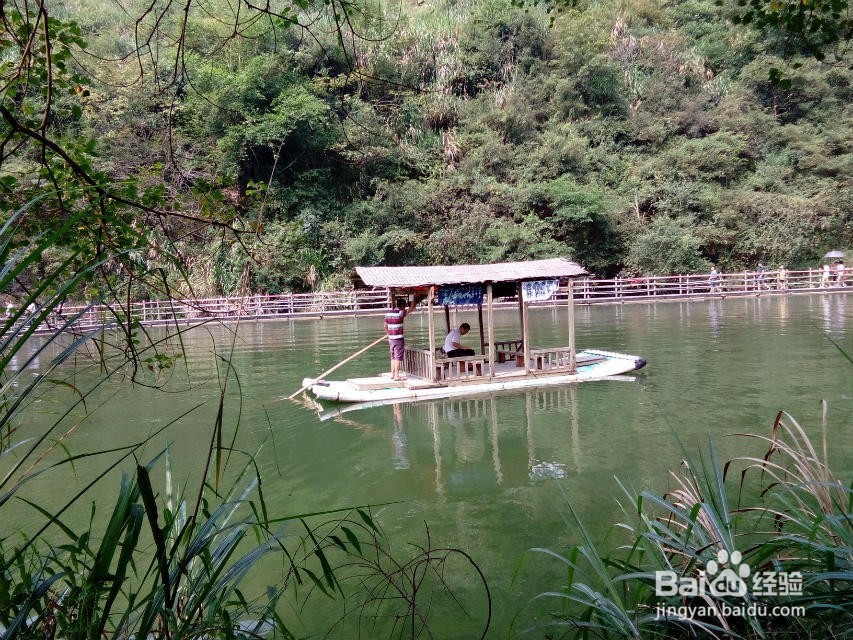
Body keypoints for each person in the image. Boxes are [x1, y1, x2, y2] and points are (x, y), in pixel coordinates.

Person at [385, 296, 417, 381]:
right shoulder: (400, 314)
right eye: (404, 306)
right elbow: (412, 308)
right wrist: (414, 297)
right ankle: (396, 376)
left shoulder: (388, 314)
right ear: (402, 306)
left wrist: (388, 334)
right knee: (398, 357)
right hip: (398, 339)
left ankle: (392, 374)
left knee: (392, 357)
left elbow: (385, 325)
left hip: (391, 339)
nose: (405, 307)